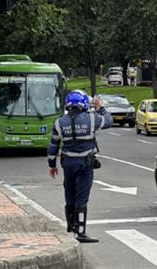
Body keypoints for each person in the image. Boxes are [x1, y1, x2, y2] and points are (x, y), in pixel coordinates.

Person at [47, 90, 113, 243]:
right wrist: (101, 108)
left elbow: (53, 145)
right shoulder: (91, 118)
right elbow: (108, 121)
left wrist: (52, 165)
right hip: (85, 164)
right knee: (82, 198)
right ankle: (81, 232)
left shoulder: (59, 122)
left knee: (69, 194)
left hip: (67, 164)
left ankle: (71, 226)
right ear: (83, 103)